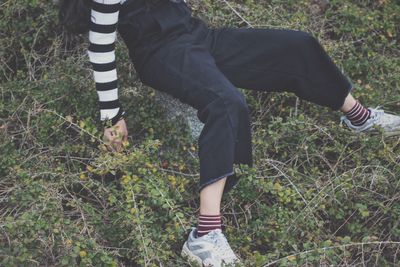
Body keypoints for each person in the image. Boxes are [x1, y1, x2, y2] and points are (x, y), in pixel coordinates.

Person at [58, 0, 400, 265]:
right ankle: (204, 235)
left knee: (299, 45)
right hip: (160, 55)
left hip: (200, 37)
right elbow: (100, 49)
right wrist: (111, 117)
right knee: (226, 103)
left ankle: (360, 118)